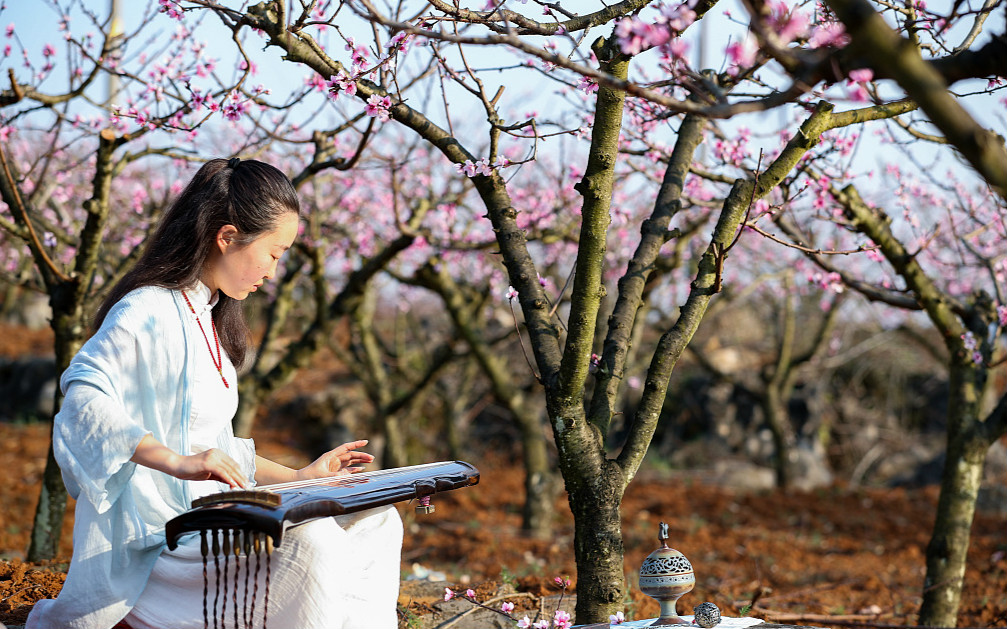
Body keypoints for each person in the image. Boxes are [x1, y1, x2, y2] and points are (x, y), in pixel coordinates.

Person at [26, 158, 403, 629]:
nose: (274, 270)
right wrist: (173, 461)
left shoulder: (211, 319)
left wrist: (302, 476)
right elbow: (82, 399)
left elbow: (218, 454)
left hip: (217, 518)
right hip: (161, 543)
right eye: (274, 252)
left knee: (378, 520)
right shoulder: (145, 310)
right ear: (227, 237)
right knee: (314, 542)